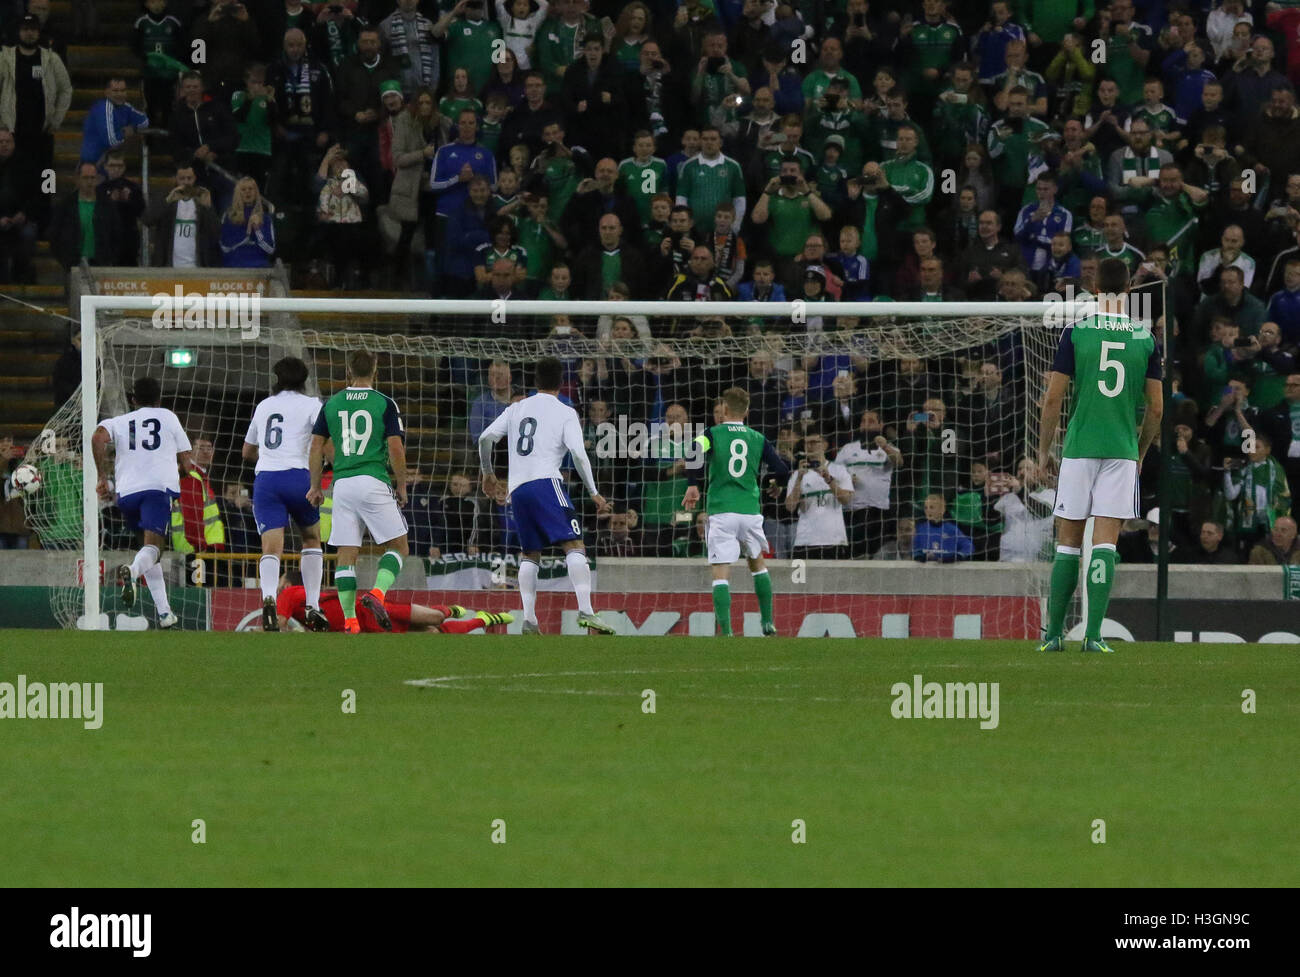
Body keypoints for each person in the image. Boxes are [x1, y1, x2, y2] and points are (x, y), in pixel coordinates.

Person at [1037, 257, 1163, 653]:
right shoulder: (1145, 338)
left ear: (1093, 289)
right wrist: (1139, 452)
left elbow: (1053, 398)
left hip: (1079, 448)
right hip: (1121, 451)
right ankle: (1093, 636)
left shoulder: (1076, 332)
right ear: (1129, 290)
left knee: (1068, 542)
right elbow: (1157, 408)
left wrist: (1043, 452)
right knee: (1106, 543)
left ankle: (1054, 635)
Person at [478, 356, 615, 634]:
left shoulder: (517, 407)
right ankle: (587, 612)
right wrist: (594, 492)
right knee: (575, 545)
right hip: (545, 483)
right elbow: (578, 453)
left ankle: (529, 620)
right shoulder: (566, 410)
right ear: (561, 381)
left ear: (535, 381)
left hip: (517, 491)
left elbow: (484, 438)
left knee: (531, 553)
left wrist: (488, 473)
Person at [307, 350, 409, 635]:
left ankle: (351, 621)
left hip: (342, 484)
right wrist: (401, 485)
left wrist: (315, 486)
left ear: (348, 372)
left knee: (346, 553)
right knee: (400, 546)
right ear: (375, 371)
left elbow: (316, 447)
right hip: (372, 480)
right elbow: (395, 448)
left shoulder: (332, 403)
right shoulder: (385, 403)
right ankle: (377, 593)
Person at [681, 386, 791, 637]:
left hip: (722, 511)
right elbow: (782, 469)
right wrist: (777, 485)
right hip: (750, 512)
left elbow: (692, 450)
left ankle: (728, 632)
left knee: (721, 573)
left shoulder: (712, 433)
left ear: (725, 410)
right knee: (758, 566)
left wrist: (692, 485)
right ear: (747, 411)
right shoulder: (757, 438)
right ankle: (768, 622)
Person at [90, 376, 193, 629]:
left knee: (148, 550)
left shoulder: (119, 421)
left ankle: (165, 613)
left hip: (127, 495)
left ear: (133, 400)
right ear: (159, 398)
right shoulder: (168, 417)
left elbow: (97, 438)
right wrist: (181, 472)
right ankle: (132, 572)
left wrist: (103, 477)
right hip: (156, 491)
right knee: (155, 548)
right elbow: (187, 463)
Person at [242, 357, 326, 632]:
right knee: (311, 539)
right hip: (299, 477)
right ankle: (313, 604)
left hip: (267, 479)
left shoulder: (264, 405)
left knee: (271, 548)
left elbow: (247, 451)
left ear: (277, 379)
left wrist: (267, 455)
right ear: (304, 380)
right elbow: (322, 442)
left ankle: (268, 597)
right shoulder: (313, 405)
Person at [277, 570, 512, 632]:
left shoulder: (287, 595)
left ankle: (449, 610)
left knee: (434, 618)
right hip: (363, 630)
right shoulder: (301, 600)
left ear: (287, 585)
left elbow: (278, 624)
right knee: (432, 633)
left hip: (369, 611)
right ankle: (483, 620)